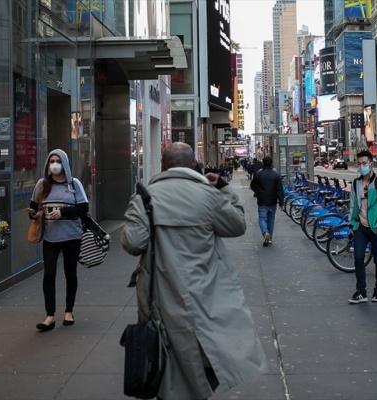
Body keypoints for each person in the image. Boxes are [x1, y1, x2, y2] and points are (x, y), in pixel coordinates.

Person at [121, 142, 267, 400]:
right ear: (193, 165)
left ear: (163, 164)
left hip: (160, 295)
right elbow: (236, 225)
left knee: (169, 356)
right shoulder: (208, 195)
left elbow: (133, 243)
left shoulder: (144, 198)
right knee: (202, 351)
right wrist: (223, 187)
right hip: (205, 291)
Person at [29, 149, 89, 331]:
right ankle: (50, 315)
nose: (54, 164)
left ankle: (69, 311)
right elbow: (32, 207)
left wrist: (62, 212)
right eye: (51, 161)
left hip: (71, 236)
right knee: (49, 273)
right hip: (50, 236)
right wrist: (35, 213)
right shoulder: (42, 185)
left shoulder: (74, 184)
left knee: (70, 273)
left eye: (58, 161)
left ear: (64, 164)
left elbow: (83, 208)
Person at [348, 150, 377, 304]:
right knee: (358, 257)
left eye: (364, 163)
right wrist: (352, 224)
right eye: (359, 164)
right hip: (360, 226)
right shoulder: (356, 183)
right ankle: (361, 291)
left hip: (376, 227)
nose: (361, 166)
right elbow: (353, 205)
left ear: (371, 164)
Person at [250, 156, 284, 247]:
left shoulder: (258, 174)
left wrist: (258, 192)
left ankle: (265, 233)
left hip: (262, 200)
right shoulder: (276, 174)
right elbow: (280, 190)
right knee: (271, 219)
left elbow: (252, 185)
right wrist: (281, 202)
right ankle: (270, 238)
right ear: (271, 163)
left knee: (262, 218)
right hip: (273, 200)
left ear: (263, 164)